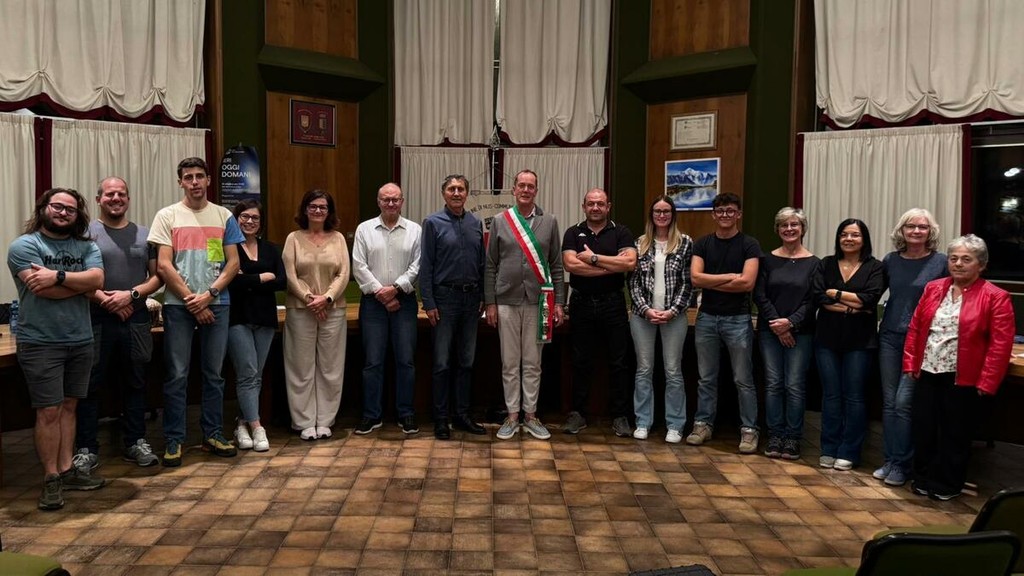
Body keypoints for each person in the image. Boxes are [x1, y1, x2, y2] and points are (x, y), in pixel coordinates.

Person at [7, 188, 106, 510]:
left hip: (80, 339)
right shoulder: (24, 246)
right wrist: (80, 285)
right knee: (48, 410)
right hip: (40, 342)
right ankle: (51, 477)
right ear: (44, 208)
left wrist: (59, 276)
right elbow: (41, 289)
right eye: (58, 207)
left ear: (78, 215)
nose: (63, 213)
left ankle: (66, 470)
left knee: (69, 407)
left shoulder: (87, 246)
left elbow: (97, 280)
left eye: (70, 210)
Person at [904, 235, 1014, 501]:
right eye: (953, 258)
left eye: (966, 259)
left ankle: (947, 484)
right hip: (928, 370)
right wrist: (910, 363)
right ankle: (922, 478)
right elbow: (916, 328)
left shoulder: (996, 296)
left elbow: (1000, 344)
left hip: (963, 376)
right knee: (924, 428)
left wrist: (987, 382)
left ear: (981, 265)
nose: (958, 264)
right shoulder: (933, 288)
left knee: (954, 433)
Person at [149, 157, 242, 467]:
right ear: (180, 182)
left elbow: (233, 263)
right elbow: (164, 265)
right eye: (188, 177)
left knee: (214, 374)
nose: (194, 182)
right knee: (177, 375)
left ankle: (213, 434)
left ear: (208, 180)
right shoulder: (167, 216)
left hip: (218, 305)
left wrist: (210, 295)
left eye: (199, 176)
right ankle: (174, 439)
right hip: (179, 307)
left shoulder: (224, 215)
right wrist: (193, 300)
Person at [77, 177, 164, 471]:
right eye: (110, 194)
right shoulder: (85, 234)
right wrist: (106, 300)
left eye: (122, 194)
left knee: (136, 382)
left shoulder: (145, 234)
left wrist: (131, 295)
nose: (116, 198)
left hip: (136, 319)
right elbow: (78, 280)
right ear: (99, 199)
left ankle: (135, 442)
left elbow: (157, 277)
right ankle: (86, 448)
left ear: (128, 198)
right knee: (90, 385)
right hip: (96, 318)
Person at [484, 170, 565, 441]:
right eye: (522, 185)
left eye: (531, 186)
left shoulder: (549, 221)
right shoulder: (500, 221)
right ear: (514, 189)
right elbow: (490, 265)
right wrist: (490, 302)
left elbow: (556, 265)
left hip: (538, 302)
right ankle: (512, 416)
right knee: (509, 362)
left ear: (536, 190)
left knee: (532, 362)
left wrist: (559, 302)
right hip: (506, 301)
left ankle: (530, 415)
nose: (526, 190)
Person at [874, 208, 947, 486]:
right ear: (902, 231)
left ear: (931, 232)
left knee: (903, 403)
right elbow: (873, 293)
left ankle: (903, 464)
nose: (916, 231)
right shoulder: (891, 260)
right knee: (889, 402)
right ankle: (890, 460)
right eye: (911, 226)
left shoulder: (941, 262)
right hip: (889, 337)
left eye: (922, 227)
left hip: (920, 341)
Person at [687, 193, 762, 453]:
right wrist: (730, 276)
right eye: (720, 211)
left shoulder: (749, 245)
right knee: (706, 378)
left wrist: (712, 281)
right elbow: (695, 279)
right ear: (713, 214)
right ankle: (703, 425)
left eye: (730, 211)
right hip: (706, 317)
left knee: (743, 378)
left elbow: (747, 283)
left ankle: (749, 430)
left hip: (738, 319)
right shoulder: (703, 244)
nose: (725, 215)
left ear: (738, 214)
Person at [561, 188, 638, 437]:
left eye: (600, 204)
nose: (596, 208)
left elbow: (629, 263)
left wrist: (593, 258)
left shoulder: (621, 232)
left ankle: (620, 416)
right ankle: (577, 414)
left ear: (608, 206)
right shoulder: (573, 232)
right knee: (580, 361)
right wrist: (610, 265)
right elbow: (571, 264)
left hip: (613, 303)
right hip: (581, 303)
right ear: (584, 206)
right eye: (591, 203)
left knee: (619, 362)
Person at [812, 218, 885, 471]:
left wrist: (835, 293)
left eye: (855, 235)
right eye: (844, 234)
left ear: (864, 239)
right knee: (831, 395)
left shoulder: (875, 267)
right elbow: (818, 296)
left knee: (854, 396)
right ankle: (829, 448)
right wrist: (853, 306)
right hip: (827, 339)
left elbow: (870, 299)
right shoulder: (826, 263)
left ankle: (849, 451)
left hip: (860, 342)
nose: (849, 239)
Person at [420, 174, 487, 440]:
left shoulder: (475, 223)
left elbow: (482, 264)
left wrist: (483, 296)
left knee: (466, 362)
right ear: (444, 193)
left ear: (467, 194)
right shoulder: (432, 223)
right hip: (444, 299)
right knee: (442, 363)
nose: (456, 193)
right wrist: (429, 302)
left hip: (471, 300)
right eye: (451, 189)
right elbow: (426, 265)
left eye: (461, 189)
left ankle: (462, 415)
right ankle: (441, 419)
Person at [351, 183, 421, 435]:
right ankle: (372, 415)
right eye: (386, 199)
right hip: (373, 303)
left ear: (402, 201)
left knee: (406, 360)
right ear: (378, 202)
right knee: (373, 361)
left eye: (395, 199)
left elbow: (417, 265)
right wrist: (381, 293)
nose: (391, 203)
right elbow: (358, 265)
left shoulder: (415, 230)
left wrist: (396, 289)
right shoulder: (364, 229)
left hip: (404, 302)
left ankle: (406, 413)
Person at [282, 190, 351, 441]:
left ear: (329, 211)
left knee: (331, 368)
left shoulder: (338, 239)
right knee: (301, 367)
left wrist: (327, 298)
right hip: (301, 309)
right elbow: (290, 274)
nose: (318, 210)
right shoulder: (293, 238)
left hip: (333, 309)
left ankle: (325, 420)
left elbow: (344, 273)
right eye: (313, 206)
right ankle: (304, 421)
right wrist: (309, 298)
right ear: (305, 209)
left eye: (323, 207)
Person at [752, 207, 820, 460]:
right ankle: (775, 434)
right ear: (777, 229)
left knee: (794, 385)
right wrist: (777, 325)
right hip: (769, 331)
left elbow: (813, 300)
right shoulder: (766, 260)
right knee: (773, 384)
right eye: (784, 225)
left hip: (801, 332)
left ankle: (793, 437)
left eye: (794, 225)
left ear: (803, 229)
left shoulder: (815, 263)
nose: (789, 229)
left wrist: (790, 323)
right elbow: (760, 295)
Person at [627, 196, 693, 443]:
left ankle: (675, 425)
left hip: (674, 317)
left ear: (673, 214)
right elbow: (633, 283)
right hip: (642, 316)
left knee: (673, 370)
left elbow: (688, 283)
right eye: (657, 211)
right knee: (644, 369)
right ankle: (643, 422)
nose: (662, 215)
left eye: (666, 211)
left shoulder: (685, 243)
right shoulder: (639, 243)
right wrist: (646, 310)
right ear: (651, 215)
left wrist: (672, 311)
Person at [226, 199, 285, 452]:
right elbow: (230, 282)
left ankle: (242, 424)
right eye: (245, 217)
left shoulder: (271, 249)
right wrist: (261, 277)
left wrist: (247, 280)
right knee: (248, 373)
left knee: (255, 376)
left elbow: (282, 281)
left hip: (265, 319)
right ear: (236, 219)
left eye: (255, 218)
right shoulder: (229, 248)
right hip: (237, 318)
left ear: (261, 223)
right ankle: (258, 426)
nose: (249, 221)